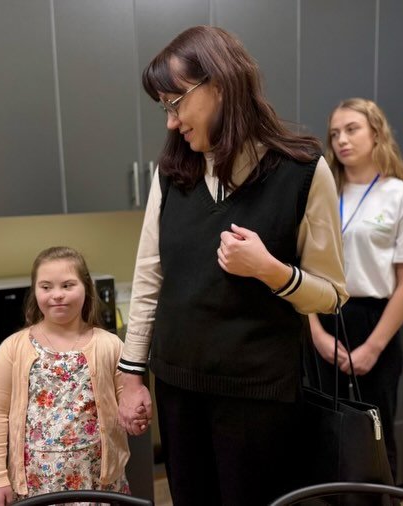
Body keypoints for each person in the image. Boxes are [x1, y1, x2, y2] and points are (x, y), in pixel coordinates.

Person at [115, 26, 348, 506]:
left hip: (259, 395)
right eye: (164, 108)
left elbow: (333, 294)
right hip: (178, 387)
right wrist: (131, 377)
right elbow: (149, 278)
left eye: (175, 103)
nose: (171, 123)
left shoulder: (303, 170)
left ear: (219, 84)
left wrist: (271, 270)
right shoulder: (172, 173)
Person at [310, 98, 403, 478]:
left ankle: (381, 499)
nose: (341, 140)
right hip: (322, 316)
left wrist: (372, 348)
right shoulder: (322, 194)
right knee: (323, 433)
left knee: (374, 436)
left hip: (374, 323)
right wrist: (316, 333)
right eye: (335, 133)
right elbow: (302, 270)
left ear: (377, 134)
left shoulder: (402, 199)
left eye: (352, 129)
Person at [0, 246, 133, 506]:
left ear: (86, 288)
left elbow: (126, 401)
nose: (57, 294)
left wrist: (135, 413)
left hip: (99, 481)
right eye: (46, 287)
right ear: (35, 291)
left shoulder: (110, 345)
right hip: (37, 485)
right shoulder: (13, 349)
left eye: (67, 285)